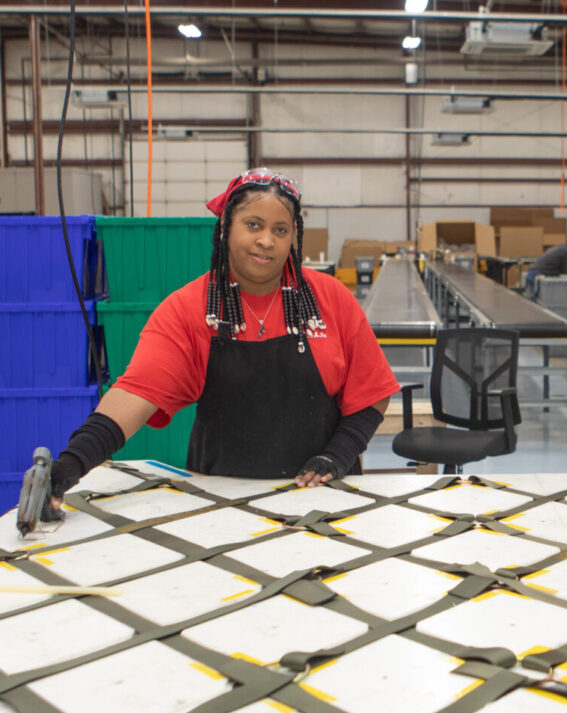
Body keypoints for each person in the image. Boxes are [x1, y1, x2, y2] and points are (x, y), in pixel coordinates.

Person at [44, 167, 399, 504]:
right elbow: (134, 395)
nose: (266, 240)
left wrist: (338, 454)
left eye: (280, 230)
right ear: (226, 227)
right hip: (222, 503)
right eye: (253, 225)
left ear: (293, 236)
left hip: (321, 495)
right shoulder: (188, 309)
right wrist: (71, 465)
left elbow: (372, 393)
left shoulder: (330, 299)